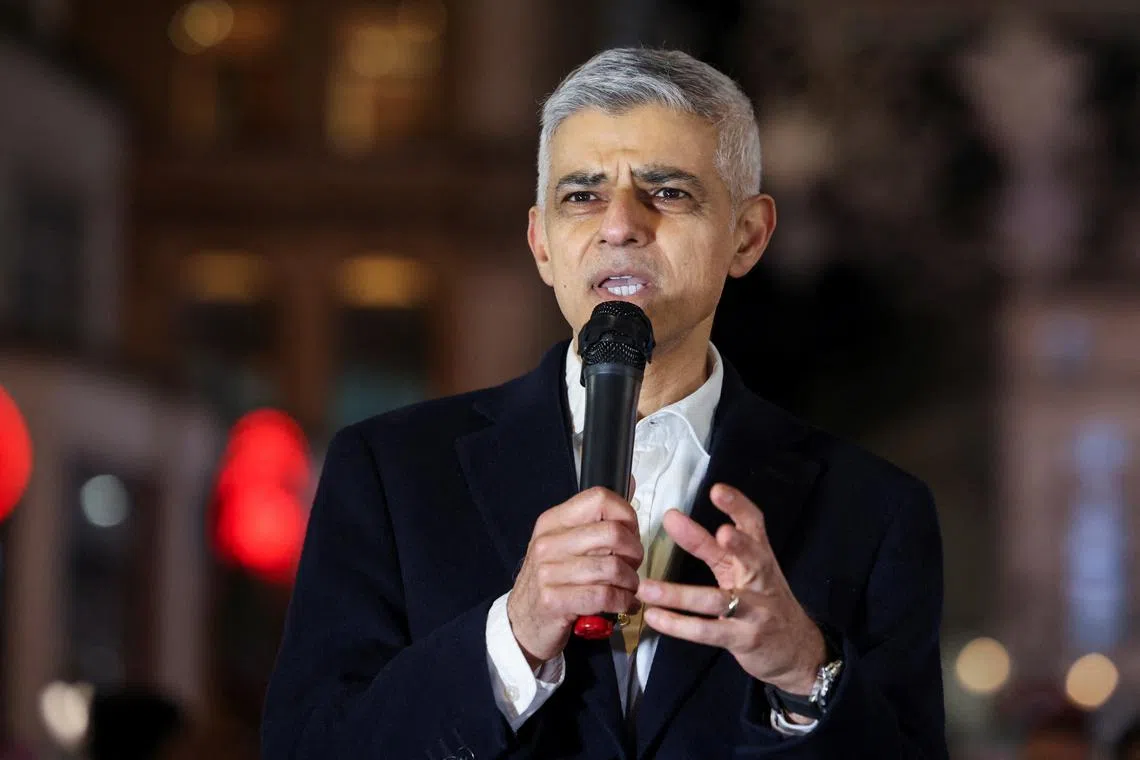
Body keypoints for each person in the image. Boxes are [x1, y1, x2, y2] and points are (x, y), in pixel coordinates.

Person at [261, 48, 947, 759]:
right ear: (542, 244)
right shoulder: (389, 473)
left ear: (747, 236)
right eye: (582, 197)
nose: (619, 225)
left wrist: (806, 673)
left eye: (668, 192)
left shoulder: (875, 510)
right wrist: (512, 635)